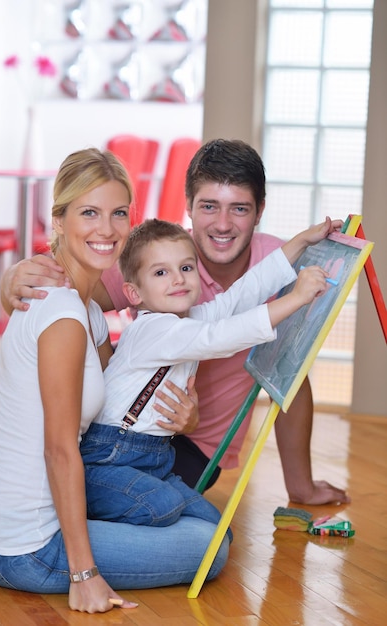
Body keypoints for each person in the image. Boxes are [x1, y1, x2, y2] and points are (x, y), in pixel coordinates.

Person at [0, 139, 350, 506]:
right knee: (163, 520)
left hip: (191, 446)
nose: (223, 224)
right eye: (209, 206)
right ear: (189, 207)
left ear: (260, 210)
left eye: (240, 208)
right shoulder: (156, 259)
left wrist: (301, 486)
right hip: (118, 434)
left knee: (200, 530)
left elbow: (287, 366)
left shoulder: (270, 264)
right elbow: (66, 298)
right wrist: (14, 279)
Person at [0, 148, 230, 615]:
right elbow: (60, 448)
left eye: (118, 213)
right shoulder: (65, 315)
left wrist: (185, 422)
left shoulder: (86, 310)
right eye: (89, 213)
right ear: (59, 219)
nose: (106, 229)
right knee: (213, 546)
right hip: (22, 546)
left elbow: (117, 396)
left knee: (211, 525)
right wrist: (84, 574)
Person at [80, 216, 338, 530]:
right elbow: (220, 337)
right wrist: (296, 298)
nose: (178, 279)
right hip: (111, 455)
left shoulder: (188, 319)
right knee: (164, 507)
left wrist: (300, 242)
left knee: (214, 527)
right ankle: (85, 513)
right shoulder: (155, 329)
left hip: (152, 457)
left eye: (186, 268)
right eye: (161, 272)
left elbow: (241, 295)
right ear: (135, 294)